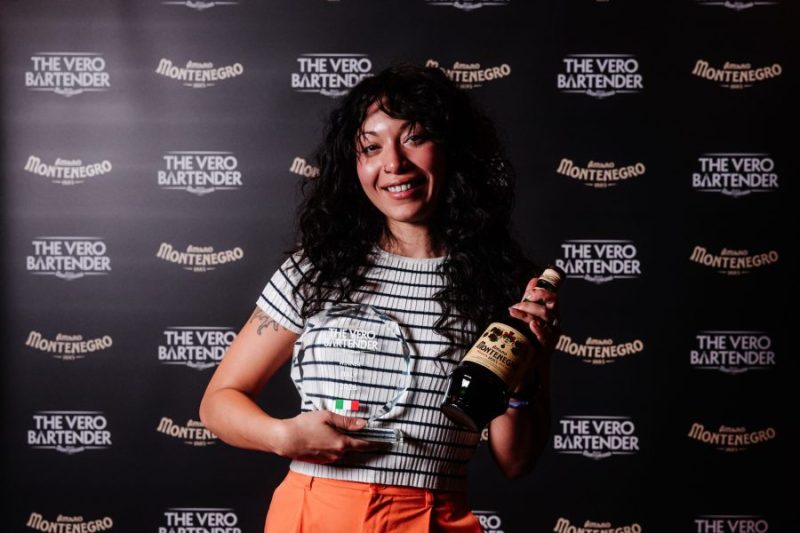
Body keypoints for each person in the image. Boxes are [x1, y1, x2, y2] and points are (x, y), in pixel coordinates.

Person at [199, 64, 561, 533]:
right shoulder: (316, 269)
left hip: (434, 518)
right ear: (354, 165)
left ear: (452, 148)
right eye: (371, 147)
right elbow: (218, 403)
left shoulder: (501, 286)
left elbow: (516, 462)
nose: (394, 163)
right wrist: (283, 436)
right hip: (313, 512)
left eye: (415, 138)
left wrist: (527, 376)